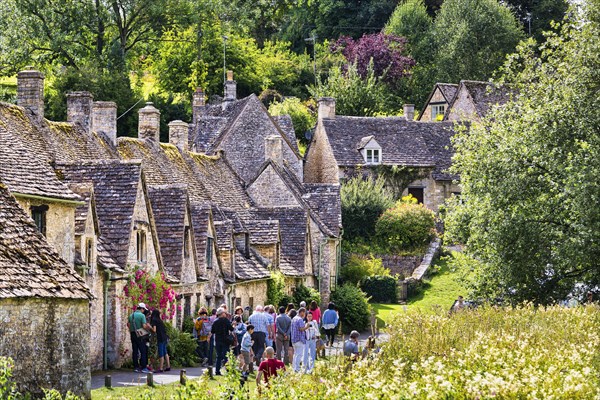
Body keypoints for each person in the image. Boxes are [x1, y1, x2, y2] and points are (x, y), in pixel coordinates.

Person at [127, 303, 151, 373]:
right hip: (140, 335)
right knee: (143, 351)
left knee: (135, 351)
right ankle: (143, 367)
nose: (144, 311)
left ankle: (136, 367)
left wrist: (133, 329)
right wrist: (148, 327)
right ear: (142, 309)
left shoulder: (131, 315)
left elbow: (128, 324)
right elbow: (143, 326)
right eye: (144, 309)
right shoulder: (142, 315)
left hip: (133, 334)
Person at [211, 307, 234, 376]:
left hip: (218, 340)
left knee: (219, 356)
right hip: (225, 340)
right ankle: (227, 370)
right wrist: (233, 325)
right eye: (224, 313)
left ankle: (217, 371)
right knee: (226, 356)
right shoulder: (226, 320)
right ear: (221, 313)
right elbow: (231, 328)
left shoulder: (215, 321)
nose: (225, 314)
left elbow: (213, 331)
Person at [291, 307, 308, 372]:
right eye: (304, 313)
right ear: (302, 312)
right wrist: (307, 327)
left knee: (295, 354)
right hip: (299, 339)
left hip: (294, 339)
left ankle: (294, 367)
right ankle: (297, 368)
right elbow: (301, 329)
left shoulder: (294, 318)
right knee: (299, 354)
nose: (304, 314)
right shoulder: (300, 319)